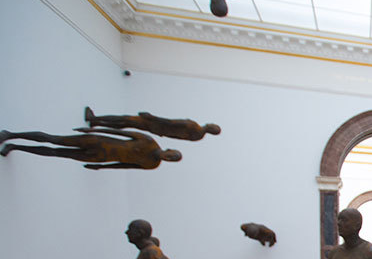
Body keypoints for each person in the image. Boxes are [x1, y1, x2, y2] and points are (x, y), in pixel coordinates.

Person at [0, 128, 181, 170]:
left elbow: (124, 165)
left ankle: (14, 146)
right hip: (97, 142)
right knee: (53, 139)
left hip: (99, 157)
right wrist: (94, 128)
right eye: (171, 155)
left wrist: (102, 167)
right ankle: (11, 135)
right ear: (169, 149)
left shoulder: (151, 164)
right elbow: (119, 132)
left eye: (171, 160)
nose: (168, 158)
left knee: (56, 153)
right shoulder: (149, 141)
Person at [85, 107, 220, 141]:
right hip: (159, 131)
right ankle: (96, 122)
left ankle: (95, 119)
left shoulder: (193, 126)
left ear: (211, 128)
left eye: (213, 125)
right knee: (126, 124)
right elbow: (176, 135)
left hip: (157, 124)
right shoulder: (197, 137)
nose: (211, 123)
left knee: (125, 119)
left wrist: (151, 117)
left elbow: (170, 122)